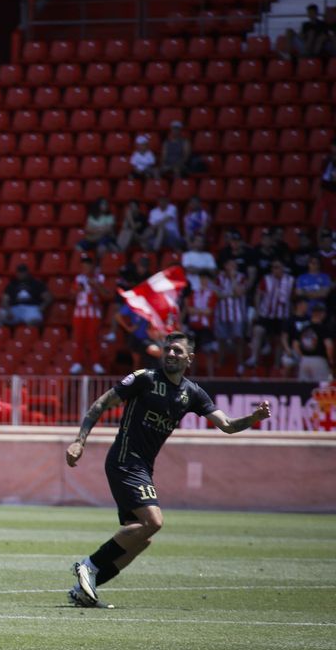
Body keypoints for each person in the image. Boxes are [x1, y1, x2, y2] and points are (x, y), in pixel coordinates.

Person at [64, 332, 271, 608]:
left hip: (143, 467)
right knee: (154, 522)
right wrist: (80, 441)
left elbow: (228, 425)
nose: (171, 354)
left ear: (190, 358)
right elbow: (102, 403)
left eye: (177, 351)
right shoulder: (144, 379)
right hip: (125, 460)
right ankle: (89, 565)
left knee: (140, 538)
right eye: (168, 349)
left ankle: (83, 590)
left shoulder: (192, 393)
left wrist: (254, 418)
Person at [248, 259, 295, 369]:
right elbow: (259, 294)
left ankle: (277, 364)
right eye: (273, 267)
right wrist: (257, 310)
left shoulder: (291, 280)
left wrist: (292, 314)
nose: (275, 269)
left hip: (283, 315)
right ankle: (254, 357)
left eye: (277, 267)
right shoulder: (266, 279)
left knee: (280, 339)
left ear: (283, 268)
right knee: (258, 330)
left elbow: (293, 298)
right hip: (266, 314)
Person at [70, 254, 108, 375]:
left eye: (88, 264)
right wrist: (76, 290)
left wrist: (95, 284)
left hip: (94, 312)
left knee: (93, 338)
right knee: (79, 338)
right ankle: (77, 362)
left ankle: (96, 363)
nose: (86, 267)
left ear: (92, 266)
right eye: (83, 265)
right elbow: (71, 295)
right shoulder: (78, 278)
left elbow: (106, 294)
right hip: (79, 312)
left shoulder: (100, 278)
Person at [214, 256, 251, 373]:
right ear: (225, 266)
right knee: (222, 339)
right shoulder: (219, 278)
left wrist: (233, 278)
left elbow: (239, 292)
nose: (232, 267)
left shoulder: (241, 277)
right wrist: (231, 294)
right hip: (222, 314)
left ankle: (240, 364)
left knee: (239, 339)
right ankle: (220, 363)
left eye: (234, 265)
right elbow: (218, 295)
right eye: (230, 265)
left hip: (238, 314)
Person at [0, 263, 50, 328]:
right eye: (19, 272)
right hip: (15, 308)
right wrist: (8, 310)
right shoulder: (12, 284)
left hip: (31, 308)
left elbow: (48, 298)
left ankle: (27, 336)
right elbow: (4, 299)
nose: (21, 274)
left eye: (23, 272)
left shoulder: (36, 283)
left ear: (27, 272)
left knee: (34, 321)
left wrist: (42, 307)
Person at [313, 142, 336, 232]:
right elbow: (323, 178)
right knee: (321, 220)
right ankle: (321, 244)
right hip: (326, 193)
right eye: (333, 146)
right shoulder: (327, 160)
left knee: (333, 220)